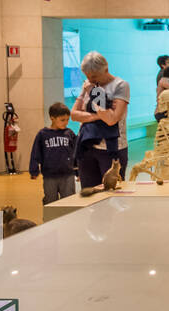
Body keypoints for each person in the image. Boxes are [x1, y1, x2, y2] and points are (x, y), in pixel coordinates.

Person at [70, 51, 130, 191]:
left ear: (106, 69)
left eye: (94, 76)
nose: (90, 80)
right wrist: (99, 115)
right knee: (89, 193)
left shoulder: (120, 85)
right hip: (87, 145)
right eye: (88, 77)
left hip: (111, 148)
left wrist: (93, 93)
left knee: (111, 193)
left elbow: (111, 120)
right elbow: (73, 114)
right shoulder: (87, 84)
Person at [29, 102, 77, 204]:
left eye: (67, 120)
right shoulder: (43, 134)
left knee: (69, 202)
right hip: (49, 176)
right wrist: (34, 170)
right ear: (52, 118)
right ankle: (51, 220)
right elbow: (35, 153)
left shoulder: (69, 133)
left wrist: (78, 171)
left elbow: (76, 153)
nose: (66, 123)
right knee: (50, 202)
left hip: (67, 175)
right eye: (62, 120)